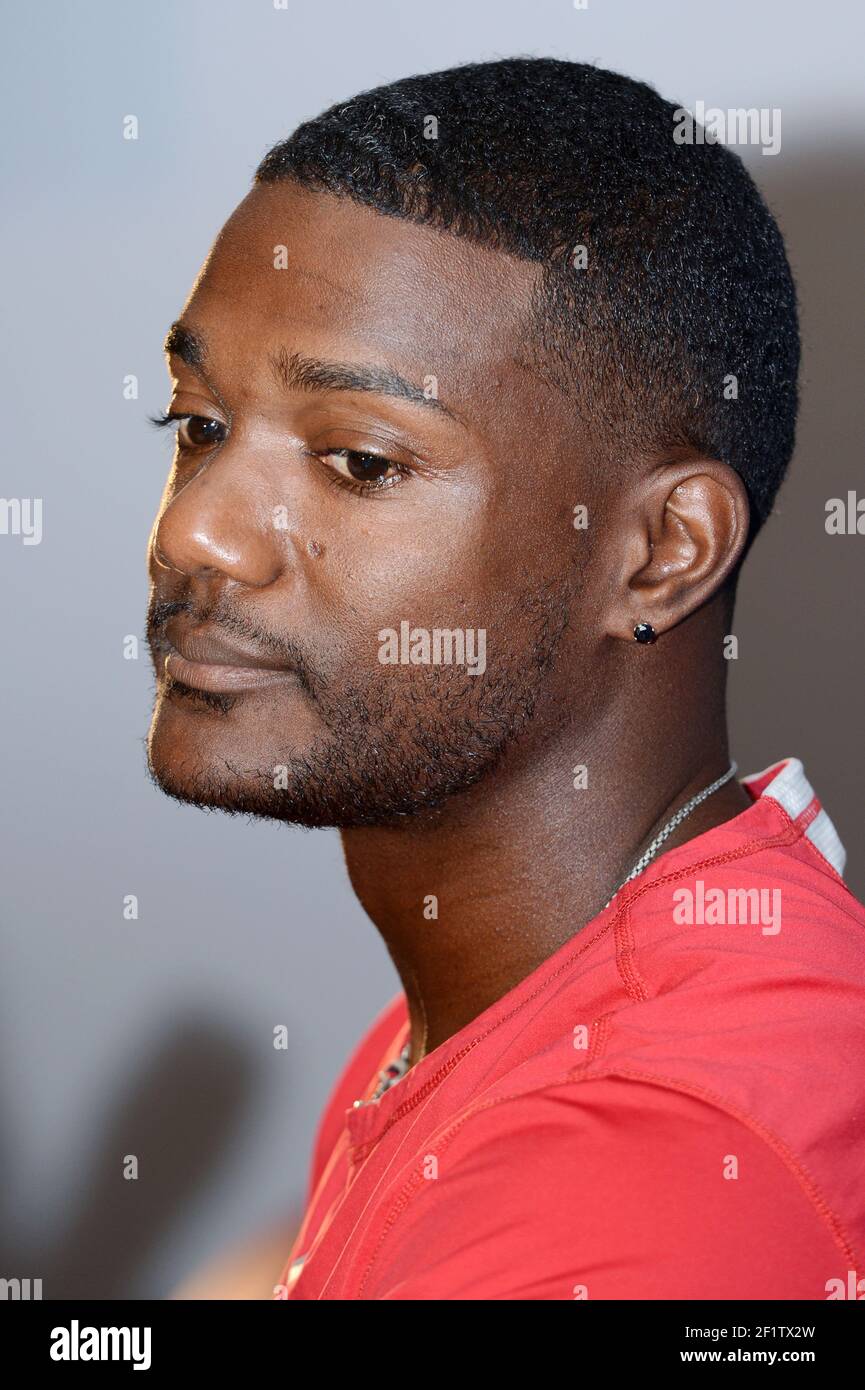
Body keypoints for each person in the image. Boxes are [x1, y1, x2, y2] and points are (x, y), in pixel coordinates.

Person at [146, 57, 865, 1300]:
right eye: (199, 426)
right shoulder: (501, 1004)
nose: (198, 532)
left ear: (660, 553)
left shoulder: (652, 1160)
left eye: (360, 462)